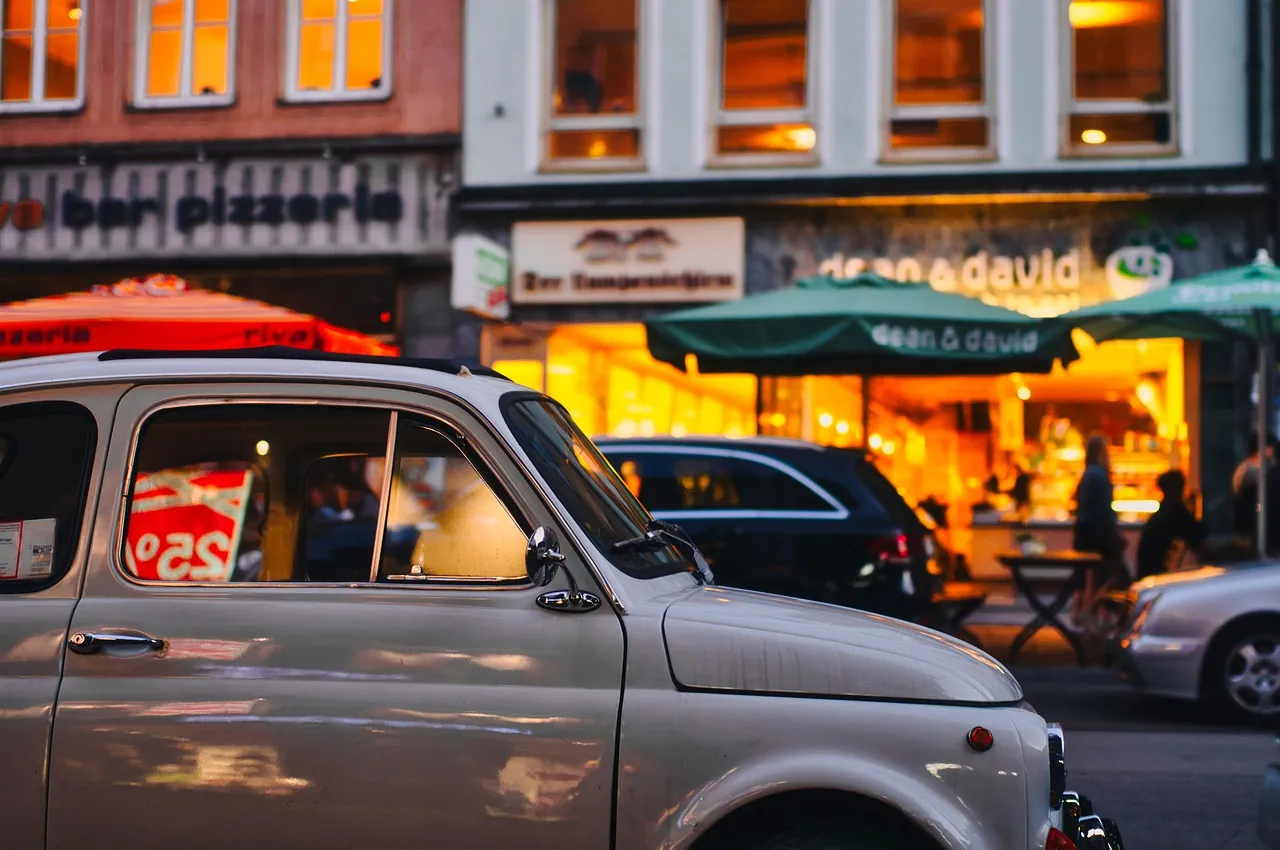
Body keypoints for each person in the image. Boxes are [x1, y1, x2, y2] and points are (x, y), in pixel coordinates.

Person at [1072, 435, 1127, 620]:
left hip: (1085, 533)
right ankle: (1092, 610)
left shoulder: (1087, 474)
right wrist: (1115, 530)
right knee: (1111, 575)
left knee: (1088, 577)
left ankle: (1085, 613)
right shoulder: (1099, 475)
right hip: (1100, 535)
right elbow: (1105, 508)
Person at [1136, 470, 1206, 580]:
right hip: (1159, 578)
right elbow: (1199, 539)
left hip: (1149, 576)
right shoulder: (1176, 512)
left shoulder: (1162, 514)